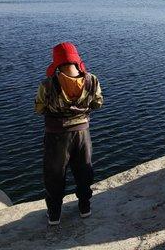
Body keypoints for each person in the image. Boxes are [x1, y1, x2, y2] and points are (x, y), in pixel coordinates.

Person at [34, 42, 103, 225]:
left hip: (56, 136)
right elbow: (97, 104)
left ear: (56, 63)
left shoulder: (47, 84)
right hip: (82, 134)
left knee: (54, 174)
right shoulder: (92, 80)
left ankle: (55, 214)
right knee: (83, 171)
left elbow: (39, 109)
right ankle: (84, 207)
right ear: (76, 60)